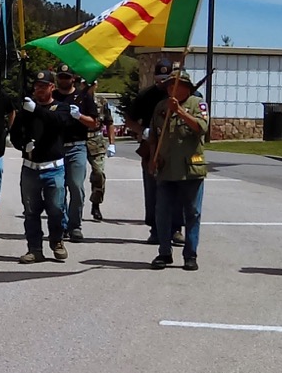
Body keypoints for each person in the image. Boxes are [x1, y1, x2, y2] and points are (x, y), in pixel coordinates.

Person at [148, 66, 209, 271]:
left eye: (174, 85)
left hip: (190, 167)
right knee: (162, 212)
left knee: (192, 212)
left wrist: (180, 112)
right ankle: (164, 252)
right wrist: (152, 157)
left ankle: (190, 255)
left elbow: (201, 128)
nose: (169, 89)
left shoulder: (197, 104)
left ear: (186, 87)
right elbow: (155, 135)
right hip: (166, 168)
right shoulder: (160, 107)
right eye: (167, 86)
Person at [11, 70, 74, 263]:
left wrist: (36, 110)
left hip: (53, 167)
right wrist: (23, 145)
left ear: (52, 88)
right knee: (31, 212)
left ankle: (56, 240)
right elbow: (15, 134)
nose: (39, 90)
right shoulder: (26, 111)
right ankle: (34, 248)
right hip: (31, 167)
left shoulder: (61, 108)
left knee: (55, 209)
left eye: (43, 86)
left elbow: (58, 123)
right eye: (37, 87)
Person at [125, 59, 181, 247]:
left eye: (165, 79)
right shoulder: (146, 95)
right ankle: (155, 229)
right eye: (159, 79)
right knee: (153, 191)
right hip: (151, 147)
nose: (161, 83)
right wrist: (142, 131)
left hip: (175, 149)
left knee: (177, 190)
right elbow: (129, 120)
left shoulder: (181, 95)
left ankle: (176, 229)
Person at [51, 65, 99, 242]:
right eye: (61, 77)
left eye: (67, 77)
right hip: (56, 146)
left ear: (73, 79)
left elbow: (94, 123)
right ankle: (61, 225)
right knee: (58, 188)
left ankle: (75, 225)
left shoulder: (83, 97)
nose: (64, 80)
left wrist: (79, 116)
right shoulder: (53, 96)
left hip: (77, 146)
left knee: (76, 187)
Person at [86, 92, 115, 222]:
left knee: (99, 174)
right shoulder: (75, 98)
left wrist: (112, 143)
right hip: (77, 140)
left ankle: (96, 204)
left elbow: (109, 122)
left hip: (96, 141)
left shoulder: (101, 101)